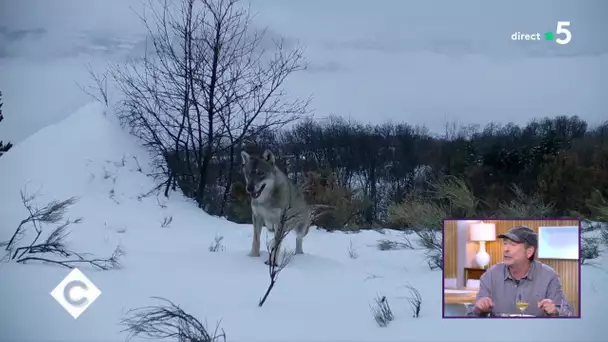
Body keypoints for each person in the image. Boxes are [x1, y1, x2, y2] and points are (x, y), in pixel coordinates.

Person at [468, 225, 573, 317]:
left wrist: (555, 312)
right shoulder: (491, 274)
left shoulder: (549, 276)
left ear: (529, 251)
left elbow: (568, 315)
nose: (506, 249)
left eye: (512, 244)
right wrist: (479, 309)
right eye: (505, 243)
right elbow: (471, 316)